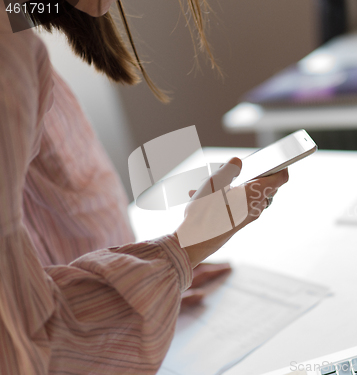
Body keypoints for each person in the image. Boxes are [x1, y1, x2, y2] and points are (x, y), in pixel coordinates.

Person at [0, 0, 289, 373]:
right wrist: (181, 251)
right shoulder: (8, 59)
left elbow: (40, 215)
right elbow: (31, 350)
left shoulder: (16, 20)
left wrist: (135, 286)